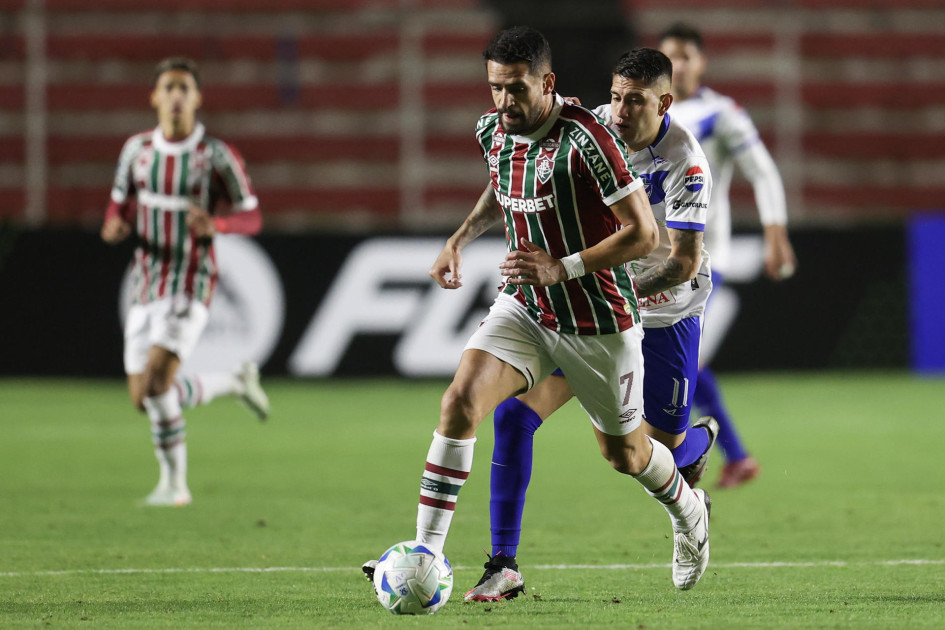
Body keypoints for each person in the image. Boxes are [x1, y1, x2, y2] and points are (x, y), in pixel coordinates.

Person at [363, 26, 710, 596]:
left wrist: (562, 266)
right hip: (527, 306)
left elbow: (647, 235)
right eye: (495, 88)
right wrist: (459, 239)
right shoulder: (492, 130)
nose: (504, 102)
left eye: (516, 89)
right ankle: (427, 553)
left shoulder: (590, 138)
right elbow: (503, 187)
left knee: (626, 454)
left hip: (600, 318)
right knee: (460, 404)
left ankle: (689, 513)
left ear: (546, 84)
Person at [465, 47, 717, 602]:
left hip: (665, 313)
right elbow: (511, 168)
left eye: (637, 101)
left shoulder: (686, 162)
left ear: (665, 101)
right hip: (585, 308)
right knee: (512, 418)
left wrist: (583, 276)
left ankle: (692, 453)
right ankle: (502, 563)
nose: (621, 111)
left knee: (640, 456)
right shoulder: (591, 128)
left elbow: (682, 264)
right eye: (617, 97)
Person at [101, 57, 270, 508]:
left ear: (196, 98)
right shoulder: (136, 151)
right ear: (154, 96)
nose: (176, 95)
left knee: (157, 382)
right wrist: (113, 226)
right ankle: (233, 382)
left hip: (190, 280)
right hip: (145, 282)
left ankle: (175, 487)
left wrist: (219, 225)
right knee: (145, 397)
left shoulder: (214, 154)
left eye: (184, 88)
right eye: (168, 87)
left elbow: (250, 213)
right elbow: (117, 206)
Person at [659, 23, 798, 488]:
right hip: (647, 260)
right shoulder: (638, 111)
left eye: (685, 56)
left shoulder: (720, 115)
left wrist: (775, 233)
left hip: (698, 260)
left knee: (685, 362)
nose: (676, 65)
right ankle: (729, 454)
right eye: (669, 56)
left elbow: (763, 172)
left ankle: (712, 453)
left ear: (701, 62)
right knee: (677, 362)